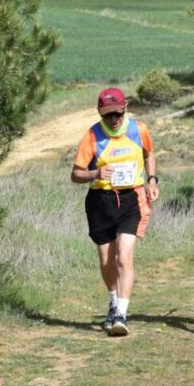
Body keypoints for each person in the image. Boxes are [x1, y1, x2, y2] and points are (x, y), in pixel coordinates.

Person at [71, 87, 159, 336]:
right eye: (108, 115)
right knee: (107, 260)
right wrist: (95, 173)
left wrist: (152, 180)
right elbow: (76, 174)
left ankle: (121, 312)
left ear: (126, 108)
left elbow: (149, 153)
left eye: (118, 114)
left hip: (131, 198)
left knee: (124, 256)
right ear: (100, 113)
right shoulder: (91, 136)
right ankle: (113, 301)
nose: (114, 120)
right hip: (101, 201)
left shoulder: (138, 129)